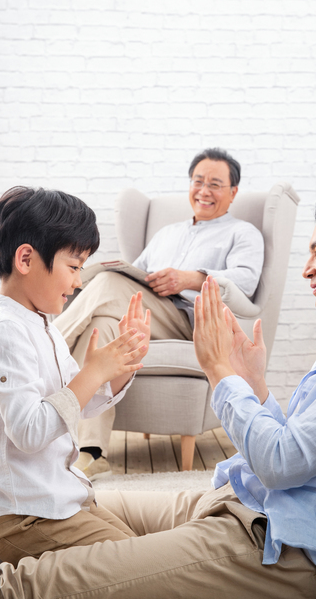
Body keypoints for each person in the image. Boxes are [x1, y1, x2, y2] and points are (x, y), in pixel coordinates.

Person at [0, 185, 316, 599]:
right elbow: (301, 446)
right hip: (242, 503)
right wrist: (255, 386)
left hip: (277, 543)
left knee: (48, 578)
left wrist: (220, 372)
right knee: (75, 504)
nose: (306, 269)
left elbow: (283, 462)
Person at [54, 147, 264, 479]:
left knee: (107, 284)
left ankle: (46, 346)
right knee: (102, 325)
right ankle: (91, 452)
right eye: (198, 181)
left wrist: (191, 278)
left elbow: (247, 281)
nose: (204, 191)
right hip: (149, 312)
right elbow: (134, 275)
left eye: (215, 184)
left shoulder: (243, 232)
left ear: (233, 192)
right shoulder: (167, 233)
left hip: (189, 319)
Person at [0, 187, 150, 567]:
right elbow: (29, 431)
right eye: (73, 267)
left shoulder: (42, 325)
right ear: (26, 259)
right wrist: (93, 370)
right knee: (141, 564)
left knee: (144, 550)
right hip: (20, 515)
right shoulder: (5, 333)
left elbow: (79, 402)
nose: (79, 281)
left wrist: (121, 364)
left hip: (55, 499)